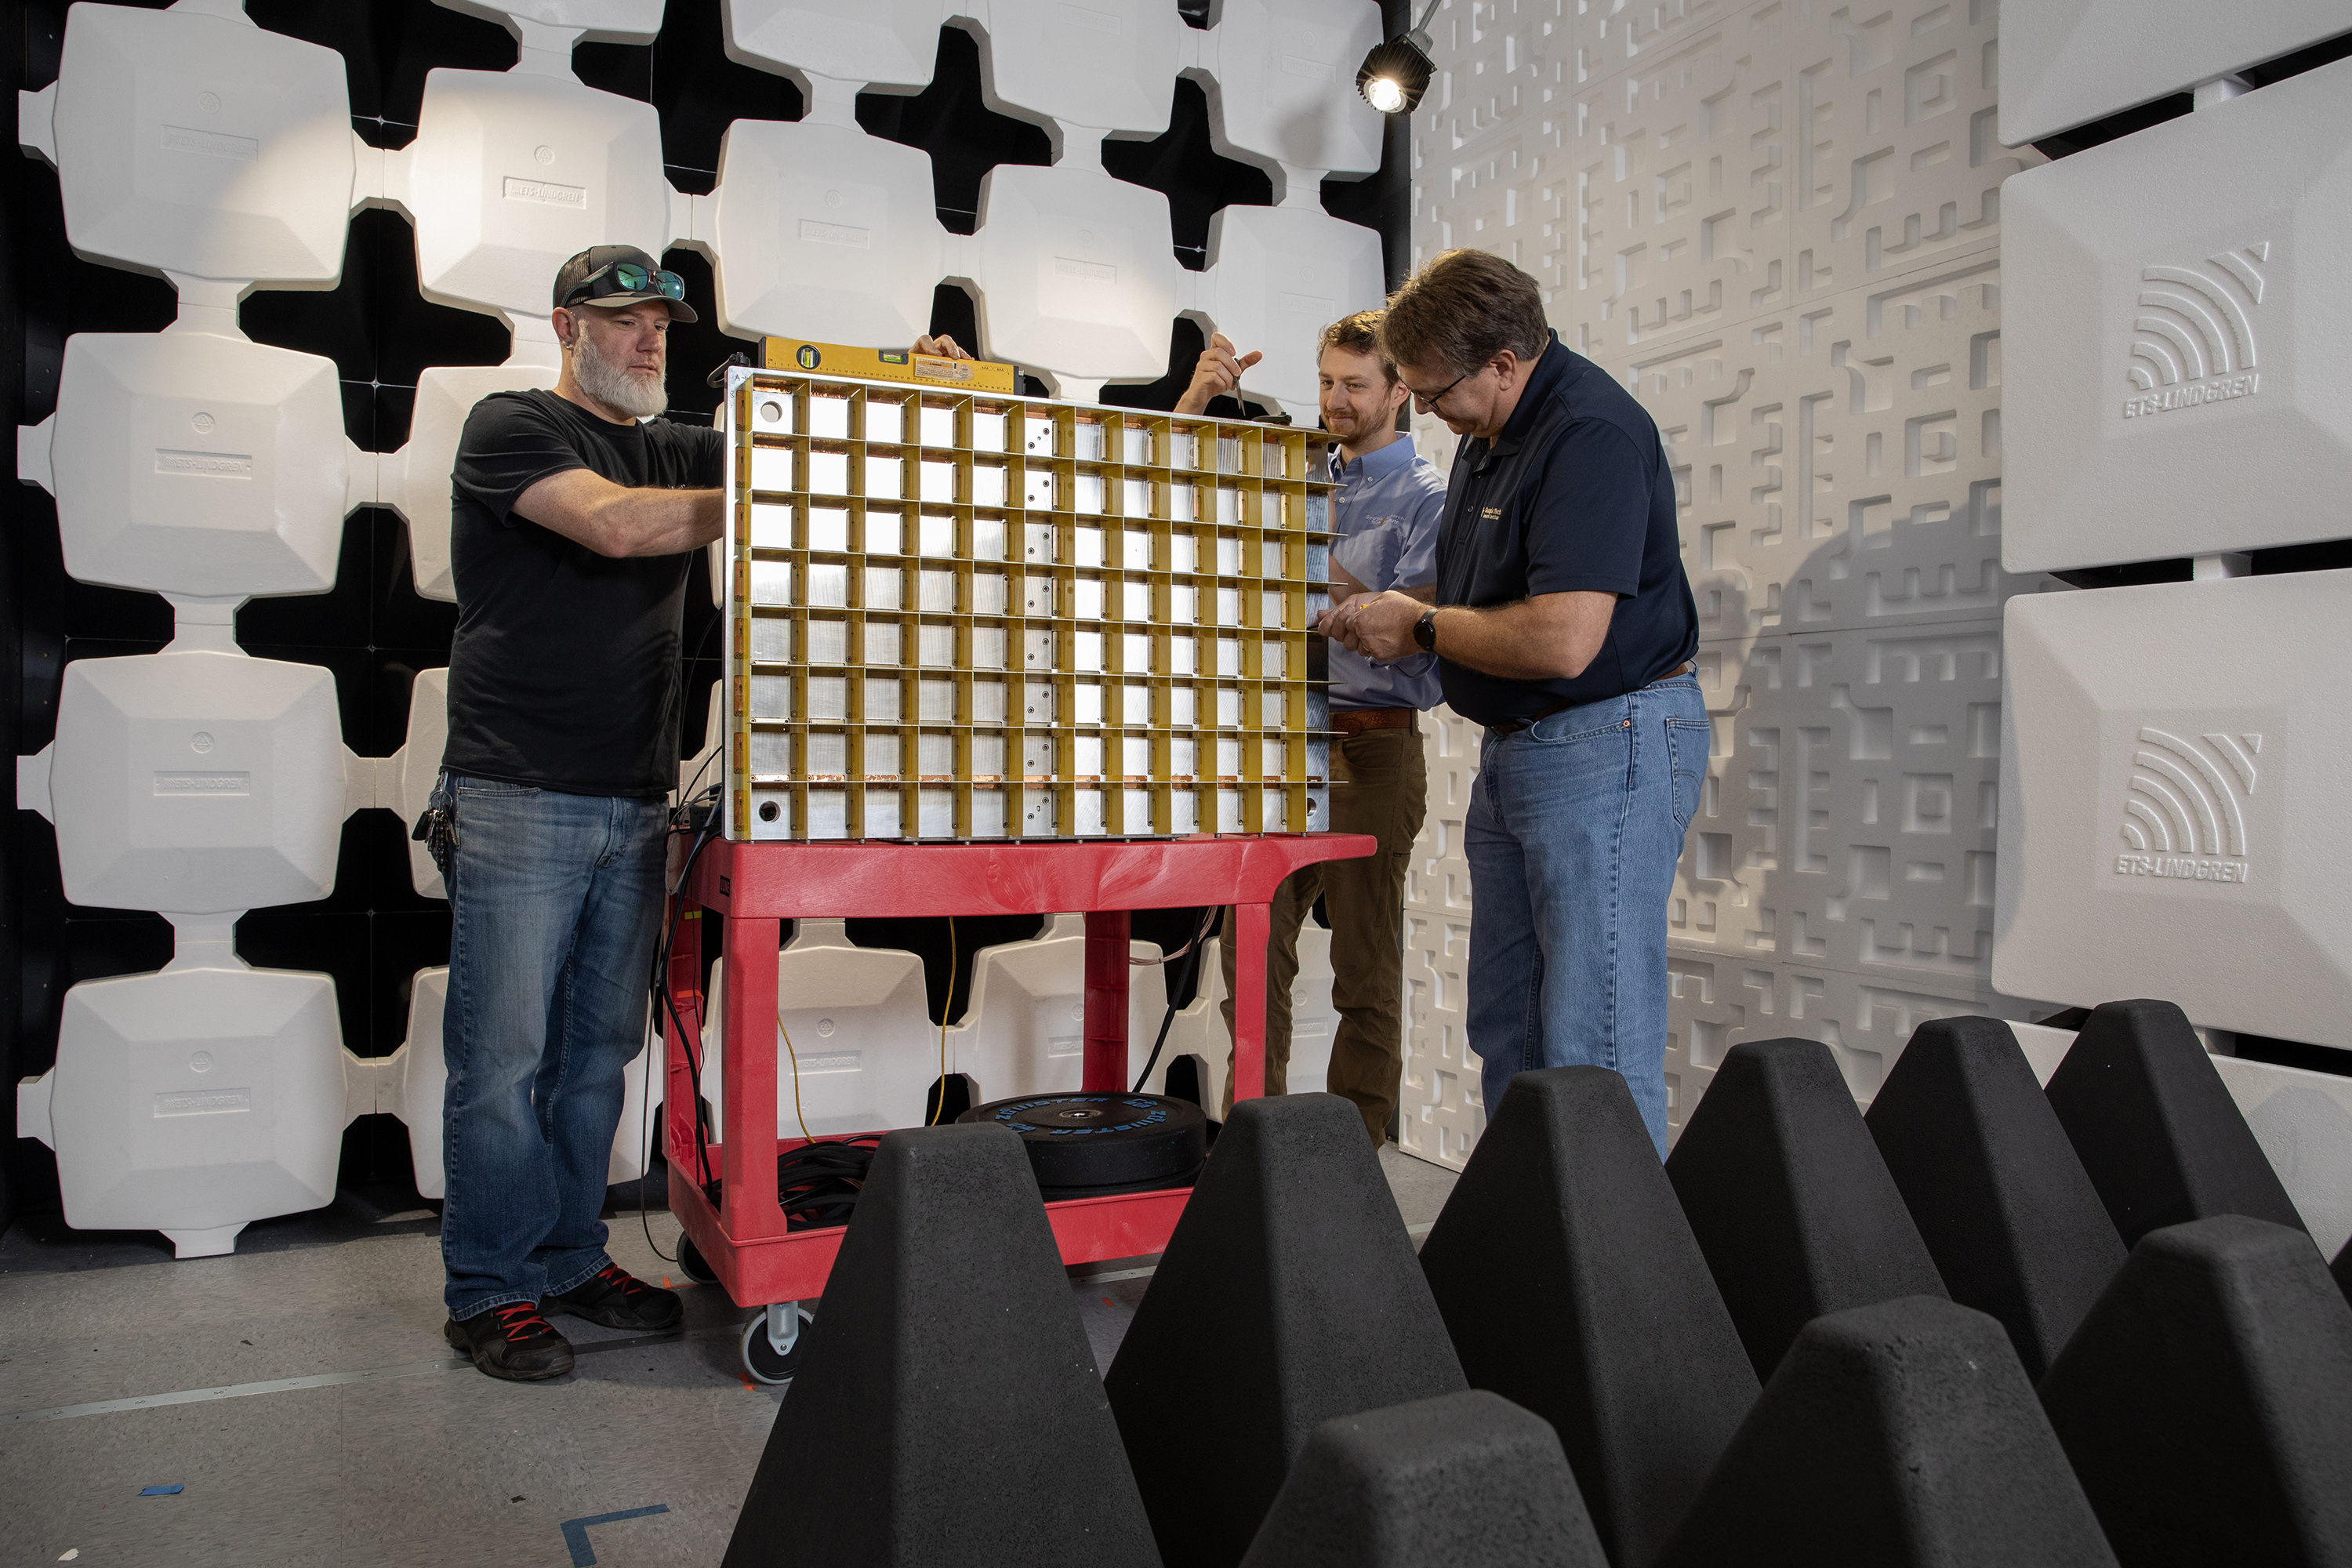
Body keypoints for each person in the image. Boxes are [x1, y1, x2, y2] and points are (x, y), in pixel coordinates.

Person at [434, 243, 965, 1379]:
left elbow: (828, 447)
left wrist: (915, 392)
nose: (650, 342)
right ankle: (490, 1286)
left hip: (634, 799)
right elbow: (618, 526)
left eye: (663, 326)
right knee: (502, 1060)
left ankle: (570, 1258)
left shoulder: (675, 447)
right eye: (626, 321)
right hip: (518, 793)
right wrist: (770, 485)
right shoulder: (510, 427)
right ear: (569, 325)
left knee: (593, 1057)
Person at [1325, 249, 1703, 1158]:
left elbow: (1566, 636)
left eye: (1434, 388)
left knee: (1592, 1048)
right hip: (1523, 752)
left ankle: (1616, 1286)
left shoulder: (1591, 433)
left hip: (1604, 743)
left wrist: (1418, 628)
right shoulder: (1488, 434)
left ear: (1505, 360)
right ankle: (1541, 1249)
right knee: (1511, 1032)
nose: (1422, 409)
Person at [1177, 321, 1447, 1145]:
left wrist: (1304, 553)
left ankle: (1353, 1160)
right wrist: (1198, 398)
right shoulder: (1293, 473)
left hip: (1374, 743)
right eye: (1327, 381)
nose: (1335, 399)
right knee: (1251, 962)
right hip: (1277, 746)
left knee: (1365, 969)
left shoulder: (1429, 499)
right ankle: (1254, 1146)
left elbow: (1409, 633)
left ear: (1401, 391)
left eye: (1355, 385)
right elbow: (1162, 486)